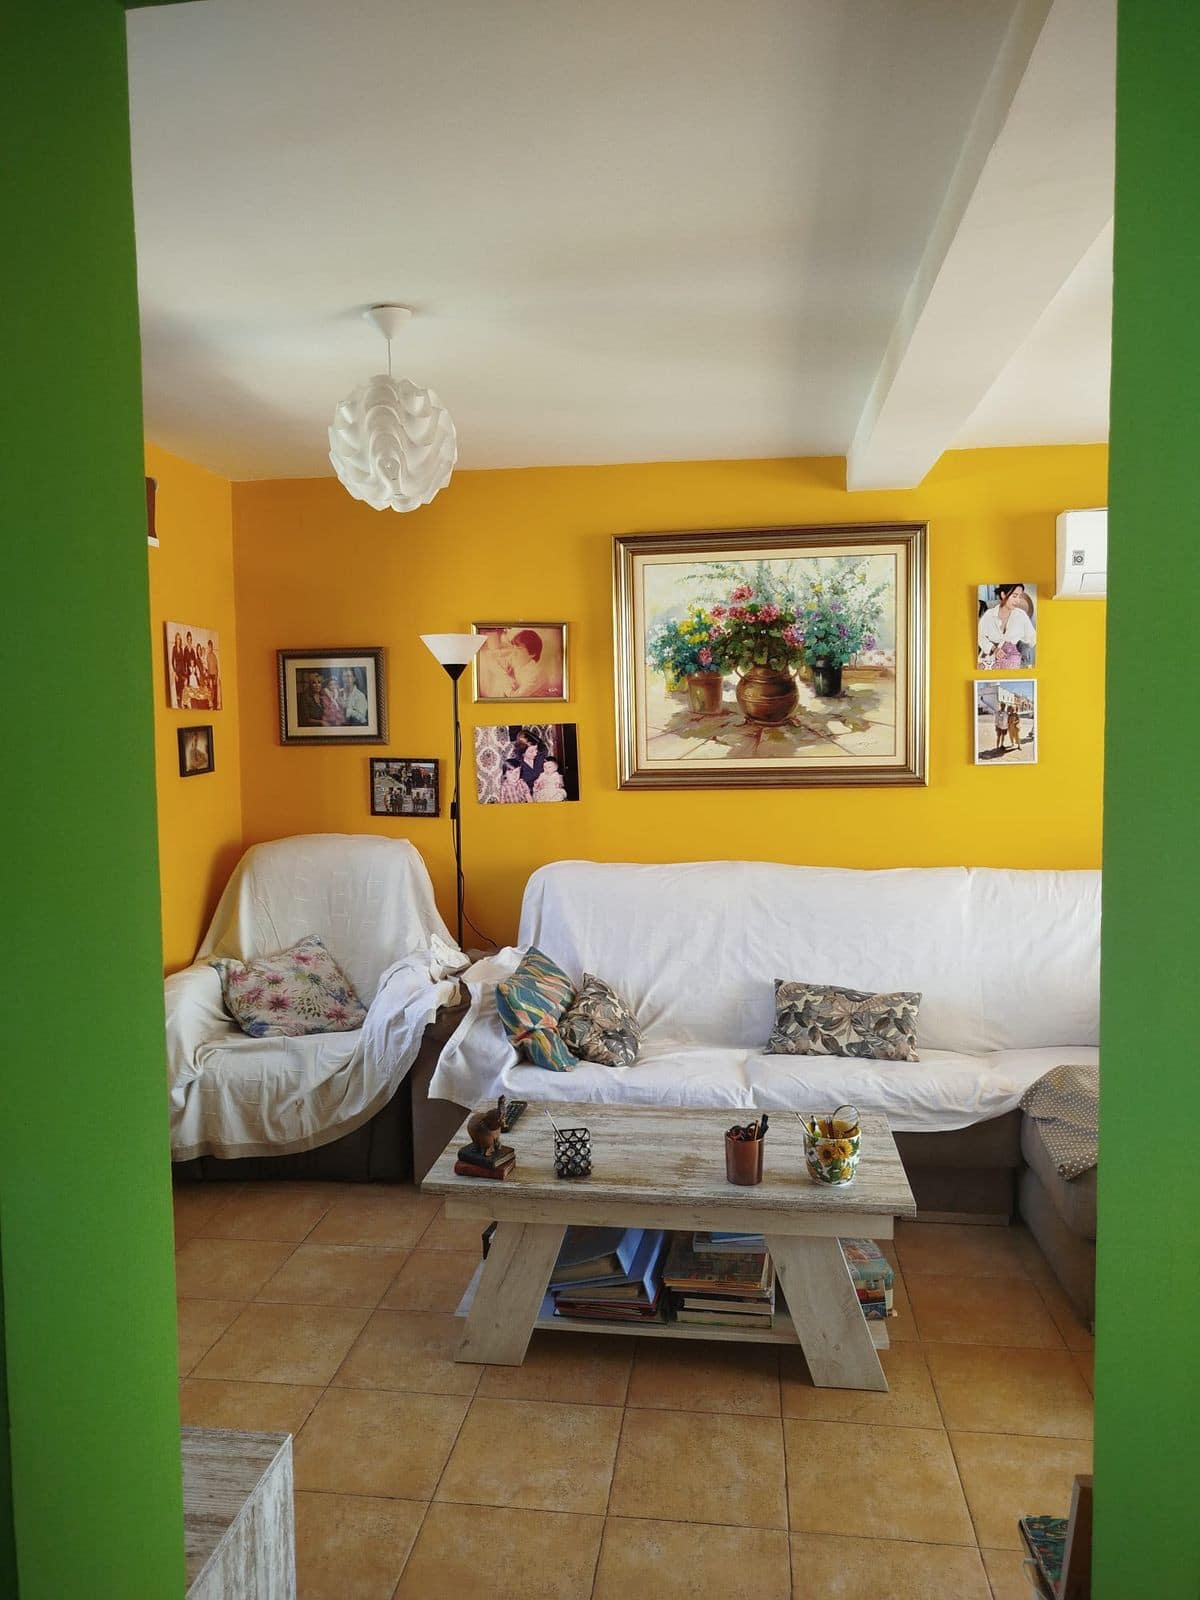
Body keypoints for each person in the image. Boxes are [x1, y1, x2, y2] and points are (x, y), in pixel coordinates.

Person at [978, 585, 1036, 669]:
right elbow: (980, 637)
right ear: (1003, 595)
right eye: (1014, 596)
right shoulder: (989, 615)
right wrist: (994, 649)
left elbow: (1033, 638)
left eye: (1020, 597)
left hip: (1011, 660)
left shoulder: (1021, 615)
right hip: (989, 657)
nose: (1018, 601)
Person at [500, 629, 554, 698]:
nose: (513, 652)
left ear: (532, 653)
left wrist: (505, 680)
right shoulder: (520, 664)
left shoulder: (536, 674)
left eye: (519, 649)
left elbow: (514, 697)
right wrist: (510, 676)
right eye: (513, 647)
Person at [170, 631, 187, 706]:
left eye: (179, 639)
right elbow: (172, 661)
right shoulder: (174, 648)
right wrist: (175, 673)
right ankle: (179, 704)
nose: (178, 640)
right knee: (178, 688)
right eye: (177, 639)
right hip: (177, 671)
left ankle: (182, 703)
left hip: (182, 671)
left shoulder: (182, 649)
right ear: (175, 640)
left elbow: (183, 661)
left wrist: (185, 671)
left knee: (182, 688)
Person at [204, 638, 220, 708]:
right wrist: (207, 677)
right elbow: (207, 667)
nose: (210, 648)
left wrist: (216, 677)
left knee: (215, 690)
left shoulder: (214, 656)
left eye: (211, 647)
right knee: (210, 691)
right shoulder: (207, 656)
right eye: (209, 647)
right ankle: (211, 705)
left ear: (212, 647)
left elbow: (216, 668)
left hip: (214, 676)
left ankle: (215, 705)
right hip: (209, 675)